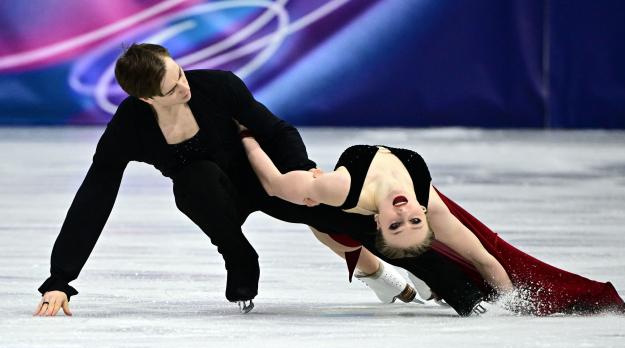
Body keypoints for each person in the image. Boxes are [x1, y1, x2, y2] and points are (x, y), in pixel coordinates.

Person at [33, 43, 488, 318]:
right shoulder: (130, 127)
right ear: (145, 97)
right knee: (195, 181)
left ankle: (462, 291)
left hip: (269, 178)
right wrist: (60, 278)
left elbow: (276, 130)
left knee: (354, 220)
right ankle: (238, 254)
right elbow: (94, 196)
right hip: (215, 201)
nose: (185, 87)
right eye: (172, 88)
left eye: (182, 74)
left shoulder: (218, 86)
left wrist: (301, 173)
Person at [241, 138, 625, 316]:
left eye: (399, 225)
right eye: (413, 221)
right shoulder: (429, 205)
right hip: (358, 204)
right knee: (323, 223)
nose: (404, 212)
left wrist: (246, 137)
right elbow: (485, 258)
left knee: (321, 221)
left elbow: (275, 184)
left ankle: (385, 275)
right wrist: (514, 301)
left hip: (342, 200)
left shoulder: (338, 188)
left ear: (379, 222)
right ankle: (385, 277)